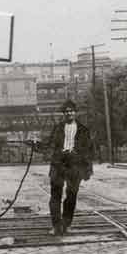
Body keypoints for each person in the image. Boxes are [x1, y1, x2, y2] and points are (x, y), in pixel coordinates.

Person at [39, 100, 93, 236]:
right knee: (55, 195)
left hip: (75, 164)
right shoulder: (57, 128)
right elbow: (49, 145)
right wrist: (36, 145)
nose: (69, 113)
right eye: (67, 111)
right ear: (64, 113)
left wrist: (87, 167)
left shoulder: (83, 130)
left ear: (75, 113)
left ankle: (66, 224)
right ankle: (56, 226)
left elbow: (88, 150)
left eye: (71, 111)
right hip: (59, 163)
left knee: (72, 195)